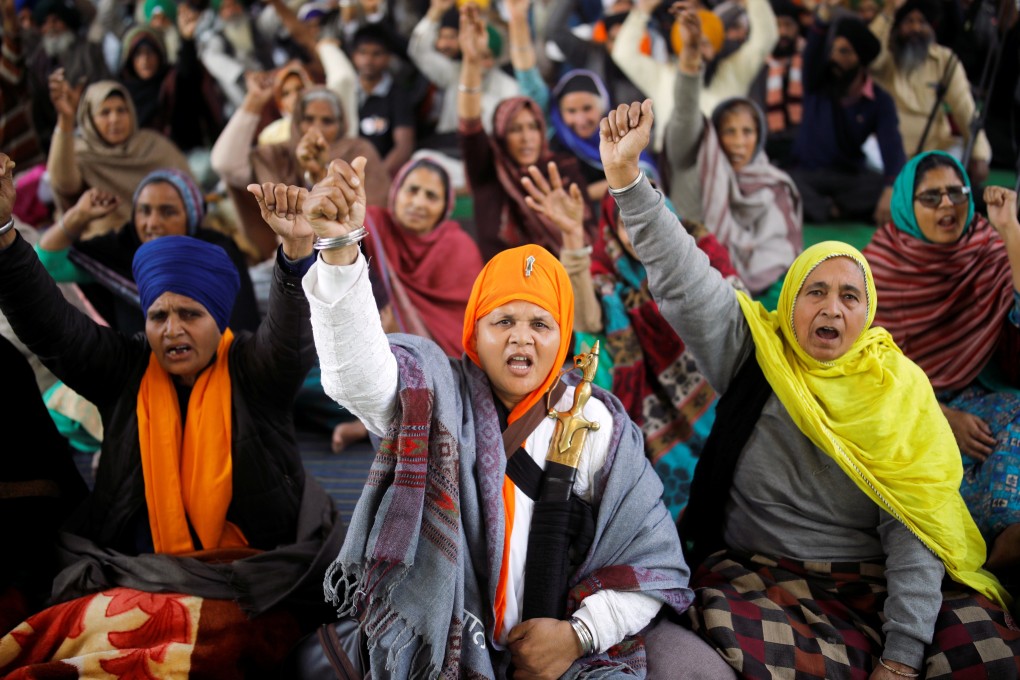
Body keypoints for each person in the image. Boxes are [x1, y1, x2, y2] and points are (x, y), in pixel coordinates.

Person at [599, 99, 1019, 679]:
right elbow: (685, 277)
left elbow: (915, 528)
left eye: (850, 296)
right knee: (737, 642)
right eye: (814, 291)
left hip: (876, 580)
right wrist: (628, 180)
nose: (831, 307)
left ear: (868, 314)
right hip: (764, 577)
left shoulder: (898, 389)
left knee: (990, 653)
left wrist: (900, 657)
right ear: (789, 301)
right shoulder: (758, 353)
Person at [291, 154, 726, 679]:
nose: (522, 336)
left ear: (564, 340)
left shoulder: (599, 423)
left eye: (541, 323)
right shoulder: (435, 391)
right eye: (504, 320)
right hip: (444, 635)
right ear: (472, 333)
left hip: (565, 646)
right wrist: (339, 250)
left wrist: (575, 636)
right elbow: (355, 377)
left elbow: (652, 558)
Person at [0, 151, 346, 674]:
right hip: (137, 572)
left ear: (219, 318)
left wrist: (297, 254)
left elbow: (292, 337)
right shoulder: (124, 368)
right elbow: (50, 324)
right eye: (159, 314)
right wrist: (4, 229)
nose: (172, 329)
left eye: (190, 314)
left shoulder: (254, 369)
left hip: (244, 577)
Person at [526, 158, 743, 519]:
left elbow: (736, 309)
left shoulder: (698, 244)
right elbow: (589, 320)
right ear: (612, 230)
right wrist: (571, 236)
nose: (637, 234)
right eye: (626, 225)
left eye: (644, 220)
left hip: (718, 380)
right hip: (655, 406)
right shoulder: (608, 272)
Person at [863, 150, 1020, 574]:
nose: (948, 205)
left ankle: (1004, 541)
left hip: (977, 395)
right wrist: (942, 414)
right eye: (931, 197)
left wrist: (1010, 234)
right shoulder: (879, 267)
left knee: (1011, 422)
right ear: (906, 207)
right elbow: (867, 370)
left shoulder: (988, 248)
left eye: (957, 192)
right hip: (903, 409)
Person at [330, 156, 484, 454]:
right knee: (317, 382)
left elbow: (464, 339)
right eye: (411, 190)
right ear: (396, 192)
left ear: (445, 206)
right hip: (367, 350)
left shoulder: (458, 248)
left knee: (455, 393)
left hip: (435, 371)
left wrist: (403, 339)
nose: (418, 202)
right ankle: (387, 421)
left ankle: (376, 423)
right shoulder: (371, 225)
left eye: (431, 196)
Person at [665, 4, 801, 299]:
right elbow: (685, 114)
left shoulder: (773, 185)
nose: (739, 142)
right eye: (729, 131)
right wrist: (690, 61)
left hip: (753, 293)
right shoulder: (694, 160)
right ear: (716, 134)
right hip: (690, 283)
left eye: (747, 132)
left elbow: (780, 251)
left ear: (760, 136)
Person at [36, 167, 260, 334]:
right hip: (150, 382)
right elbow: (46, 264)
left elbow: (240, 327)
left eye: (168, 212)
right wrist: (78, 216)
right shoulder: (120, 254)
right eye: (144, 211)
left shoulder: (216, 255)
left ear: (191, 217)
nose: (152, 223)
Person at [458, 6, 594, 259]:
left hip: (560, 284)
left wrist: (563, 224)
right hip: (504, 289)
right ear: (500, 135)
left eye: (533, 127)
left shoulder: (562, 170)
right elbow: (469, 123)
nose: (526, 137)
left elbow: (588, 239)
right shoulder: (487, 172)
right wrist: (471, 61)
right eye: (515, 129)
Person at [211, 84, 389, 262]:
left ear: (341, 124)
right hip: (289, 259)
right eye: (308, 119)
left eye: (327, 121)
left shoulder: (358, 151)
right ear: (296, 121)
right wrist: (253, 102)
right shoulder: (276, 155)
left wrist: (320, 172)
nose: (316, 129)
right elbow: (224, 163)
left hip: (346, 256)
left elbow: (372, 216)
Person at [787, 4, 905, 226]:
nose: (835, 58)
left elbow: (893, 148)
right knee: (785, 183)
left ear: (860, 59)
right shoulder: (817, 83)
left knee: (889, 186)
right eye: (833, 50)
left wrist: (890, 189)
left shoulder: (879, 100)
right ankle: (833, 209)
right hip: (807, 173)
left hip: (847, 176)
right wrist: (823, 15)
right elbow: (813, 50)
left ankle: (827, 208)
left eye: (844, 52)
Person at [610, 0, 778, 152]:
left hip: (725, 163)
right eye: (689, 44)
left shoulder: (733, 71)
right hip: (674, 168)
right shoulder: (663, 76)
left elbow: (765, 39)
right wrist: (643, 10)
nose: (695, 51)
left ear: (716, 45)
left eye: (703, 43)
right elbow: (624, 54)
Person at [46, 76, 192, 237]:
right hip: (110, 243)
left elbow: (189, 192)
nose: (115, 119)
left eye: (121, 110)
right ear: (90, 119)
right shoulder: (79, 154)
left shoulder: (152, 145)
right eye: (105, 112)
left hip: (163, 232)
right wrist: (66, 120)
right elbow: (65, 185)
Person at [868, 0, 991, 186]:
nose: (915, 28)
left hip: (934, 151)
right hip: (887, 154)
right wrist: (889, 11)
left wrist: (979, 154)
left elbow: (964, 108)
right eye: (908, 21)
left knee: (957, 152)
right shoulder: (885, 58)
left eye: (922, 22)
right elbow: (869, 54)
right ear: (896, 25)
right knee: (865, 149)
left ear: (932, 27)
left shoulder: (945, 60)